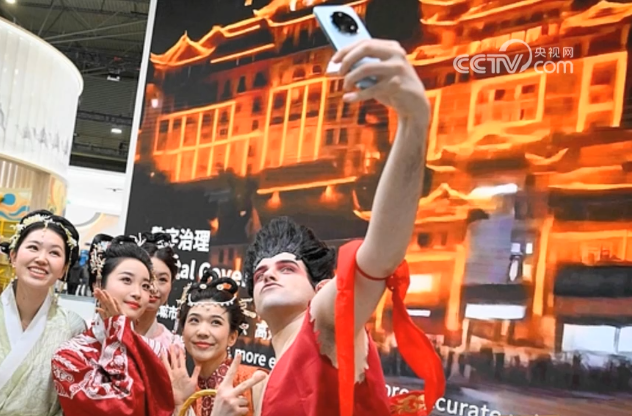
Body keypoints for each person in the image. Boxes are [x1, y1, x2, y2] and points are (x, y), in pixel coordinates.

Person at [237, 40, 445, 416]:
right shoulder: (263, 382)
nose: (268, 275)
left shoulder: (324, 323)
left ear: (320, 287)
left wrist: (413, 123)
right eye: (260, 272)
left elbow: (378, 257)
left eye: (287, 268)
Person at [0, 210, 86, 416]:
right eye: (33, 247)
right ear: (14, 256)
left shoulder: (73, 327)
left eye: (54, 253)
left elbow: (72, 401)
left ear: (64, 268)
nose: (41, 259)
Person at [51, 236, 177, 416]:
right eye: (126, 280)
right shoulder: (70, 355)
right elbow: (122, 408)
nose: (137, 293)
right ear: (98, 283)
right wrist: (117, 329)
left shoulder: (156, 352)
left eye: (145, 286)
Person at [172, 270, 266, 416]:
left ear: (232, 337)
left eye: (215, 322)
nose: (202, 331)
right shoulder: (183, 391)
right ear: (183, 332)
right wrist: (179, 406)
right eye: (194, 320)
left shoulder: (254, 382)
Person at [137, 232, 184, 347]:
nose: (154, 288)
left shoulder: (172, 344)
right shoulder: (106, 330)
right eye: (148, 278)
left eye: (162, 279)